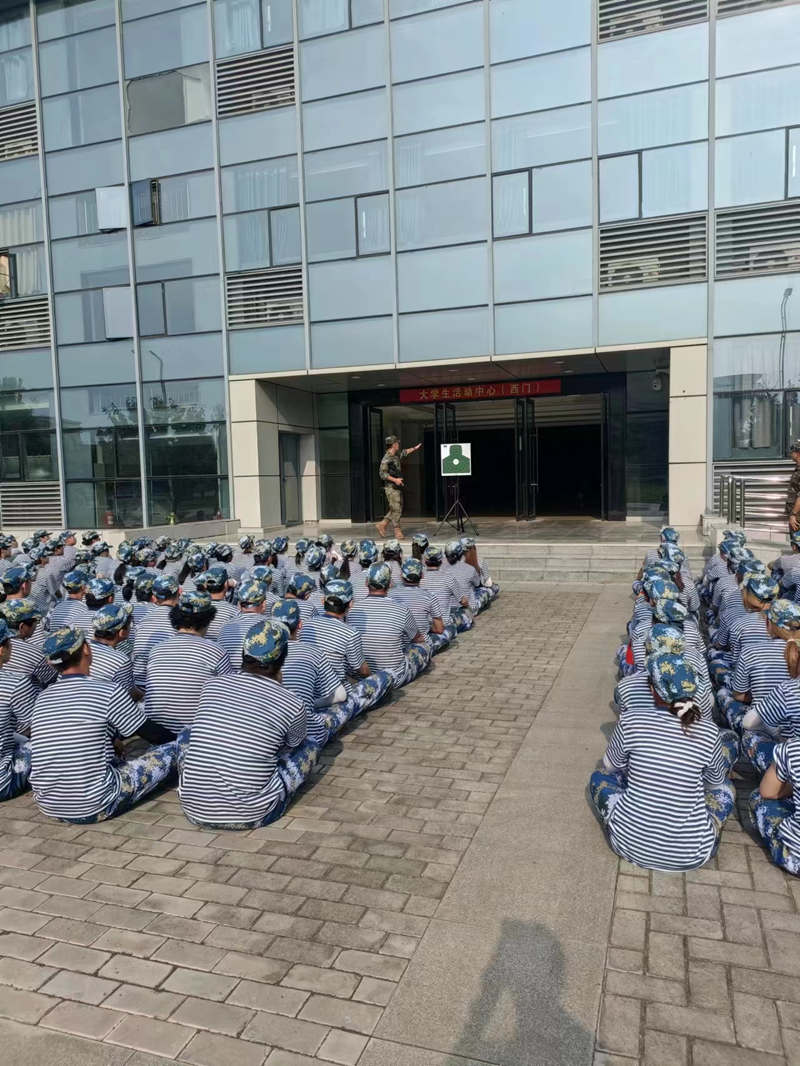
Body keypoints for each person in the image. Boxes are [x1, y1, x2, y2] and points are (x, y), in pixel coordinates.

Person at [589, 652, 738, 871]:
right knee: (727, 788)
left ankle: (631, 826)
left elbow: (610, 766)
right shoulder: (709, 732)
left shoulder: (632, 721)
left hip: (627, 845)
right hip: (691, 854)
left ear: (652, 690)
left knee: (599, 776)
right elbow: (714, 783)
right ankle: (703, 831)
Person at [30, 626, 185, 824]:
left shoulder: (43, 697)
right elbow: (151, 733)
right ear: (86, 649)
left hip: (49, 804)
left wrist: (112, 739)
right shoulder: (107, 691)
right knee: (178, 745)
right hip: (96, 804)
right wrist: (180, 740)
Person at [179, 619, 319, 829]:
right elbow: (292, 745)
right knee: (310, 746)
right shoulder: (292, 702)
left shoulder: (212, 685)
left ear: (244, 653)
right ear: (282, 658)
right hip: (251, 815)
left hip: (193, 809)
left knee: (187, 733)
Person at [299, 578, 393, 720]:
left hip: (309, 689)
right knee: (386, 676)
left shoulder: (307, 625)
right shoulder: (350, 633)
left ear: (323, 601)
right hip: (334, 692)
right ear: (350, 603)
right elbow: (362, 670)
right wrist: (371, 676)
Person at [145, 591, 234, 737]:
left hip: (154, 731)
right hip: (192, 734)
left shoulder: (156, 649)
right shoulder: (216, 651)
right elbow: (229, 694)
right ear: (208, 619)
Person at [270, 598, 347, 744]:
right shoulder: (313, 651)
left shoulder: (259, 656)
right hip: (305, 734)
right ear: (300, 624)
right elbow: (340, 695)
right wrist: (311, 703)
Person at [347, 562, 431, 688]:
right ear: (390, 584)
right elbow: (417, 639)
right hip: (394, 676)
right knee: (425, 643)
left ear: (366, 583)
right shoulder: (401, 609)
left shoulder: (352, 610)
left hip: (361, 676)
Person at [749, 739, 800, 875]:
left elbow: (767, 792)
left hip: (795, 857)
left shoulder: (793, 748)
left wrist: (793, 787)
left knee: (758, 797)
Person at [0, 618, 38, 801]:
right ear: (2, 649)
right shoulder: (15, 683)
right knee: (50, 742)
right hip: (3, 783)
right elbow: (39, 727)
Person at [390, 558, 454, 655]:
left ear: (401, 576)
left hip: (396, 643)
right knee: (449, 630)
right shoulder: (429, 596)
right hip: (419, 643)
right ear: (422, 575)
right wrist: (428, 627)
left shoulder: (390, 594)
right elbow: (439, 629)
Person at [377, 435, 422, 539]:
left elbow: (404, 452)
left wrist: (414, 448)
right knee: (396, 509)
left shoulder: (395, 455)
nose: (398, 444)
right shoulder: (386, 458)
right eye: (397, 443)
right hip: (391, 487)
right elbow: (382, 474)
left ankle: (382, 524)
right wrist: (395, 480)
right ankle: (397, 531)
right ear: (393, 445)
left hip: (397, 486)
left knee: (397, 508)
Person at [218, 579, 269, 669]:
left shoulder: (225, 626)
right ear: (264, 604)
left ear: (239, 604)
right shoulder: (272, 625)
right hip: (257, 675)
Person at [89, 604, 137, 696]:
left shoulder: (82, 649)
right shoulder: (121, 660)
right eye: (130, 625)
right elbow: (129, 694)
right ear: (122, 632)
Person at [787, 440, 800, 532]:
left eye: (792, 452)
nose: (791, 454)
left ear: (798, 454)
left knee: (797, 539)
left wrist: (793, 514)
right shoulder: (797, 468)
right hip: (796, 514)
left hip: (797, 515)